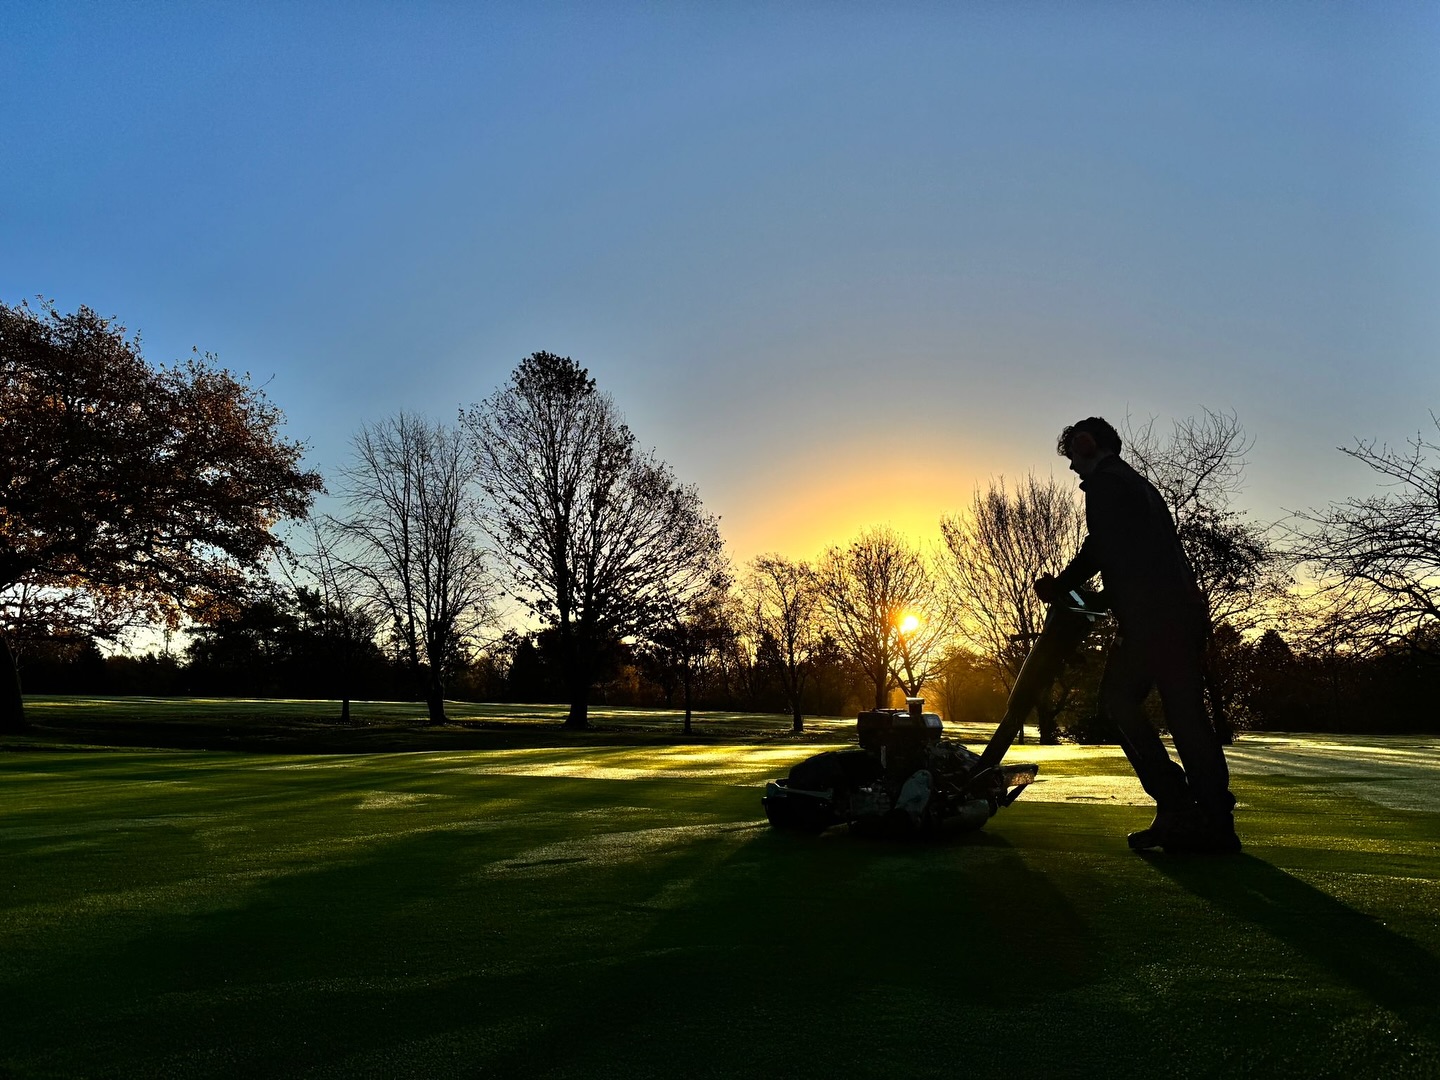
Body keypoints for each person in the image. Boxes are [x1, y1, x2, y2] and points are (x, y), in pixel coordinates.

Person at [1034, 416, 1239, 854]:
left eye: (1072, 456)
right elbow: (1137, 555)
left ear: (1086, 445)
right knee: (1187, 717)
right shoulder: (1140, 487)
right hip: (1179, 614)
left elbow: (1101, 547)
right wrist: (1103, 598)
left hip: (1152, 620)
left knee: (1118, 700)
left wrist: (1061, 584)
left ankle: (1176, 803)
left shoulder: (1106, 483)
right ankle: (1214, 821)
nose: (1071, 467)